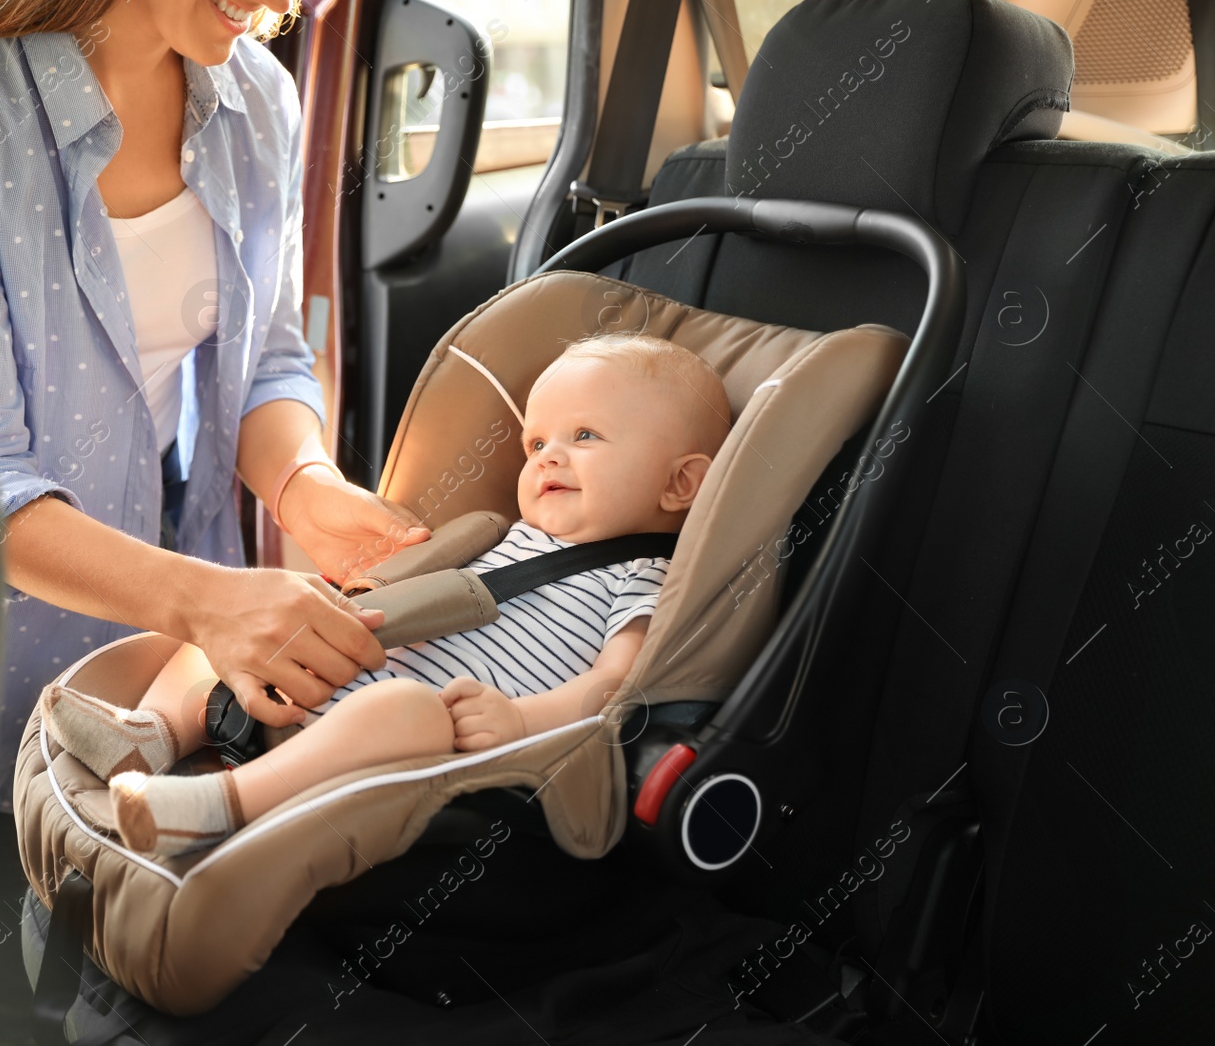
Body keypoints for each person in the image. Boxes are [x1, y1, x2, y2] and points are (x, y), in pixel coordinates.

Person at [0, 0, 430, 815]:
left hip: (164, 645)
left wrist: (304, 490)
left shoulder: (258, 96)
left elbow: (268, 360)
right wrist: (208, 603)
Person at [42, 334, 734, 855]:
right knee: (246, 607)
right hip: (335, 675)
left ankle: (214, 805)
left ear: (679, 484)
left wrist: (520, 721)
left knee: (407, 710)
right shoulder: (507, 536)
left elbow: (616, 686)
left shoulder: (638, 575)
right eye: (536, 441)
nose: (548, 455)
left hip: (421, 742)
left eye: (584, 436)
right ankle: (155, 733)